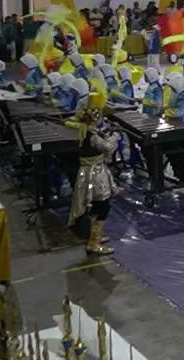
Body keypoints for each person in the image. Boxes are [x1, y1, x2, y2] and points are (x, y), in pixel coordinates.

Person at [65, 97, 118, 256]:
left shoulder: (83, 131)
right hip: (95, 174)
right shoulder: (92, 136)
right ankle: (94, 243)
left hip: (87, 172)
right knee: (103, 207)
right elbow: (108, 148)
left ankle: (96, 236)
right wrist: (114, 137)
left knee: (96, 206)